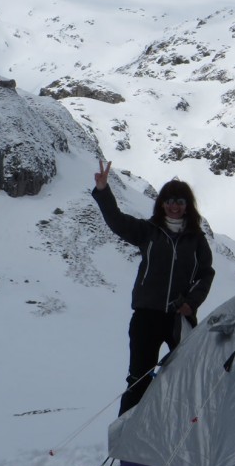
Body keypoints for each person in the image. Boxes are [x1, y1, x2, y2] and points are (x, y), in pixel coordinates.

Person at [92, 160, 215, 415]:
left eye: (180, 201)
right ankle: (126, 442)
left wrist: (191, 303)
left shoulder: (196, 239)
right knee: (138, 379)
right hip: (146, 317)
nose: (173, 205)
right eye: (168, 200)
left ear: (187, 206)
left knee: (187, 377)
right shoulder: (148, 231)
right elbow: (117, 221)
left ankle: (179, 434)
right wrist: (103, 191)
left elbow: (206, 274)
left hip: (180, 318)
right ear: (161, 203)